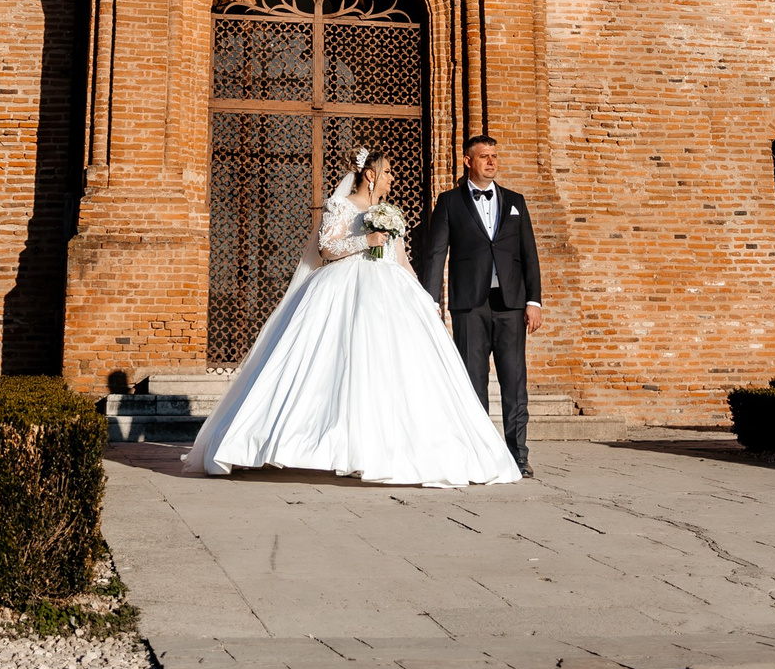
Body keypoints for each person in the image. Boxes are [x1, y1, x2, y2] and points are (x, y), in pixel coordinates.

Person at [182, 148, 520, 488]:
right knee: (336, 363)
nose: (392, 178)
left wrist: (424, 298)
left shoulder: (391, 212)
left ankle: (385, 445)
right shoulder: (340, 206)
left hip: (393, 293)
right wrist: (366, 239)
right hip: (343, 287)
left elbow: (400, 259)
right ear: (370, 175)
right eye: (387, 172)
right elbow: (327, 248)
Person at [416, 133, 542, 477]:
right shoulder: (449, 203)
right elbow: (436, 254)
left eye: (495, 156)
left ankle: (518, 456)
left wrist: (534, 301)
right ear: (468, 161)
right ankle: (479, 454)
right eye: (484, 156)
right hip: (469, 305)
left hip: (511, 305)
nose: (492, 162)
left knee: (515, 382)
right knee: (473, 383)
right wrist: (431, 304)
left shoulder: (515, 201)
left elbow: (528, 256)